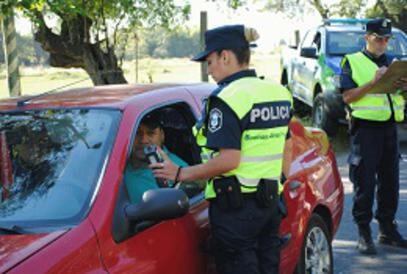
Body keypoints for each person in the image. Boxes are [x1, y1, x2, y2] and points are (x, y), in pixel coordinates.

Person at [150, 25, 292, 274]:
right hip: (270, 204)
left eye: (210, 60)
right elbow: (287, 144)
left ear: (225, 56)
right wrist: (279, 180)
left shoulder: (228, 98)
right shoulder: (278, 92)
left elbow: (229, 160)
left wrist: (179, 174)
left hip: (236, 211)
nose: (209, 69)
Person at [340, 18, 407, 255]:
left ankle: (387, 229)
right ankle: (364, 232)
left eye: (387, 39)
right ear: (367, 37)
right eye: (379, 38)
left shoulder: (394, 62)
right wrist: (373, 82)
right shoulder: (352, 62)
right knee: (365, 183)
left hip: (389, 128)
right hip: (365, 131)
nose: (383, 43)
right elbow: (347, 97)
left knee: (390, 182)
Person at [124, 113, 188, 203]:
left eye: (151, 133)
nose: (144, 140)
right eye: (137, 133)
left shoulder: (176, 168)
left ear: (162, 136)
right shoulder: (115, 161)